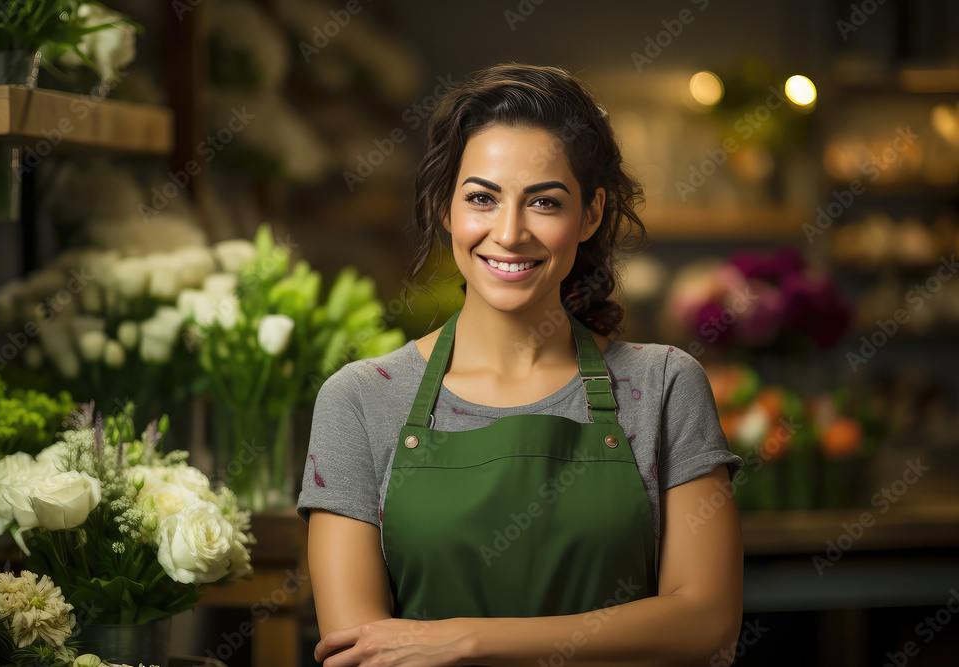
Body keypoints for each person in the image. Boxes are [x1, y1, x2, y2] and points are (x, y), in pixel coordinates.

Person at [297, 63, 744, 666]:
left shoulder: (664, 385)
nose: (509, 233)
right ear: (445, 209)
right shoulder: (360, 399)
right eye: (482, 198)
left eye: (544, 202)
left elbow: (707, 621)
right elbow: (362, 654)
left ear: (589, 215)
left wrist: (472, 640)